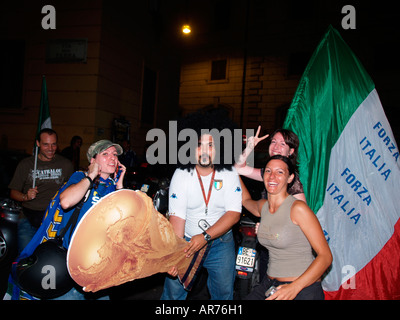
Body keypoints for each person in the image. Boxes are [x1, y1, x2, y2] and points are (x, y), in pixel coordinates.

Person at [6, 139, 126, 300]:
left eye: (115, 154)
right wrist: (91, 175)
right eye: (105, 154)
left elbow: (123, 220)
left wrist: (120, 185)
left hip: (98, 265)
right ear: (93, 160)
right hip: (69, 263)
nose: (112, 157)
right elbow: (66, 201)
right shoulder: (80, 177)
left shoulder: (112, 186)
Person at [161, 110, 242, 300]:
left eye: (210, 145)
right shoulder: (181, 174)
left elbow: (234, 213)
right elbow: (177, 217)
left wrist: (206, 236)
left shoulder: (229, 173)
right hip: (187, 243)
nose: (205, 150)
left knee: (223, 295)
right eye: (199, 145)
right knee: (173, 294)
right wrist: (175, 254)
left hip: (221, 243)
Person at [242, 155, 332, 300]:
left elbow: (326, 257)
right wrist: (230, 170)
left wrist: (294, 288)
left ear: (290, 178)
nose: (272, 176)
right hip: (270, 284)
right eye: (268, 171)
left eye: (280, 172)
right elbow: (245, 200)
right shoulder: (263, 206)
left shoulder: (297, 209)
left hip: (302, 288)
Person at [8, 128, 74, 253]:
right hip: (28, 219)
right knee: (25, 259)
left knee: (51, 260)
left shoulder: (65, 165)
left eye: (53, 144)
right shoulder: (26, 164)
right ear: (38, 143)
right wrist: (25, 197)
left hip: (54, 220)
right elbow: (13, 192)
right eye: (46, 144)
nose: (50, 148)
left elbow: (73, 190)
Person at [235, 126, 306, 202]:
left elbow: (303, 210)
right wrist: (249, 148)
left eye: (282, 144)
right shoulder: (268, 172)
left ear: (291, 151)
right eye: (273, 142)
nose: (276, 147)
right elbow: (238, 168)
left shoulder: (290, 178)